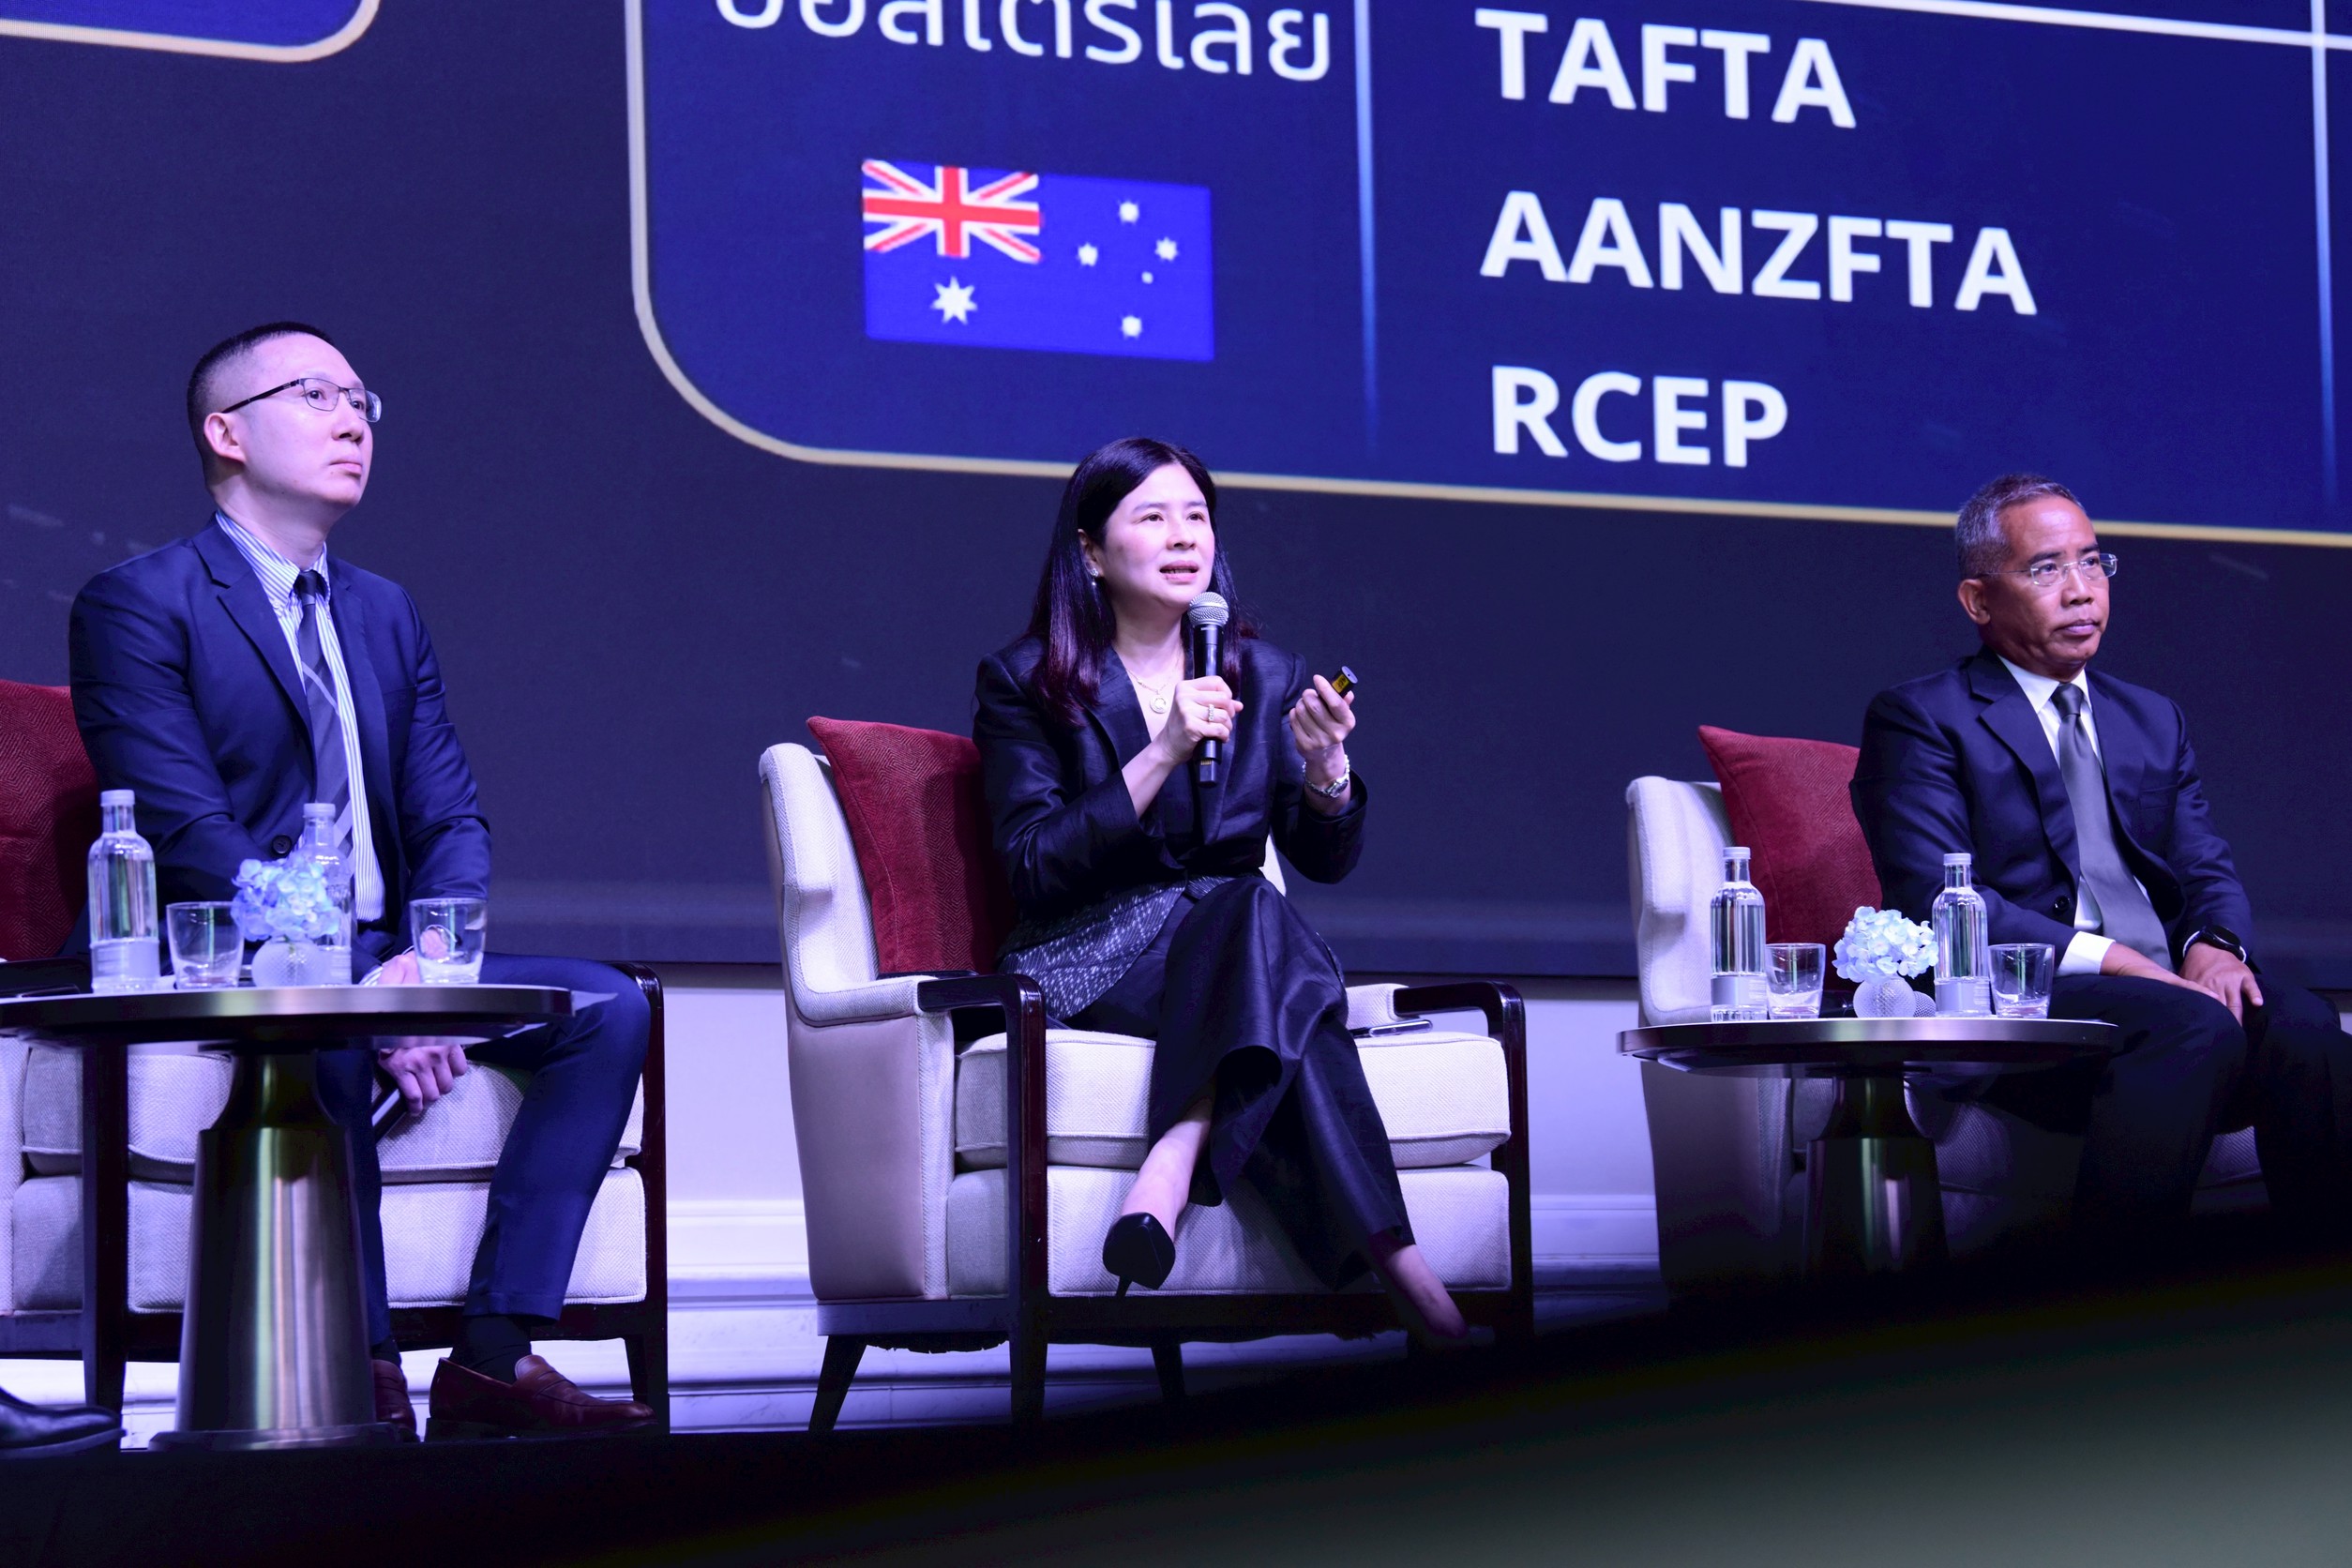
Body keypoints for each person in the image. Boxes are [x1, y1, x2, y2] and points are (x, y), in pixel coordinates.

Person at [68, 323, 654, 1438]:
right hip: (231, 959)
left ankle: (491, 1357)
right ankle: (363, 1360)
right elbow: (191, 835)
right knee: (322, 1027)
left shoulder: (384, 611)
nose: (352, 420)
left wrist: (427, 969)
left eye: (360, 400)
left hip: (387, 955)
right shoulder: (141, 601)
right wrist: (357, 988)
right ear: (226, 433)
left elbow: (450, 817)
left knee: (607, 1007)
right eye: (315, 395)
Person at [972, 437, 1467, 1344]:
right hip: (1091, 953)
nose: (1183, 536)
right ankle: (1409, 1280)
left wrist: (1327, 770)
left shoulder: (1264, 675)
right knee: (1268, 936)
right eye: (1153, 516)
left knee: (1251, 918)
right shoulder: (1029, 681)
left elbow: (1323, 857)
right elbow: (1034, 865)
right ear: (1091, 551)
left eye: (1196, 516)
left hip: (1228, 947)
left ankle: (1171, 1173)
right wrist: (1161, 751)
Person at [1851, 473, 2352, 1254]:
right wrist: (2119, 962)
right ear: (1979, 601)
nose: (2081, 590)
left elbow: (2203, 863)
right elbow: (1934, 899)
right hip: (2025, 1004)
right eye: (2045, 568)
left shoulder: (2151, 718)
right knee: (2192, 1025)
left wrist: (2214, 945)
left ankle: (2313, 1295)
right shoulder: (1921, 717)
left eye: (2093, 562)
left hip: (2165, 997)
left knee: (2307, 1028)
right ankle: (2109, 1300)